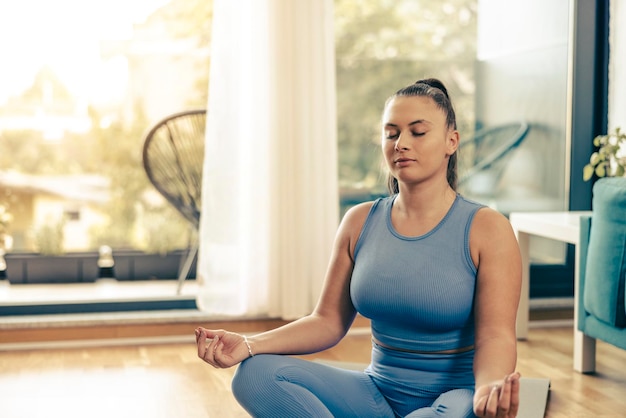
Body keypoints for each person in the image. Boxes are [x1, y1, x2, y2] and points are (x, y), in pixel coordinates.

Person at [195, 78, 522, 417]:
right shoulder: (359, 221)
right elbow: (327, 321)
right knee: (255, 376)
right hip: (375, 395)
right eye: (391, 133)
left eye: (418, 132)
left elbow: (496, 336)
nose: (401, 144)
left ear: (451, 141)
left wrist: (488, 391)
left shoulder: (487, 228)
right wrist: (249, 345)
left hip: (454, 400)